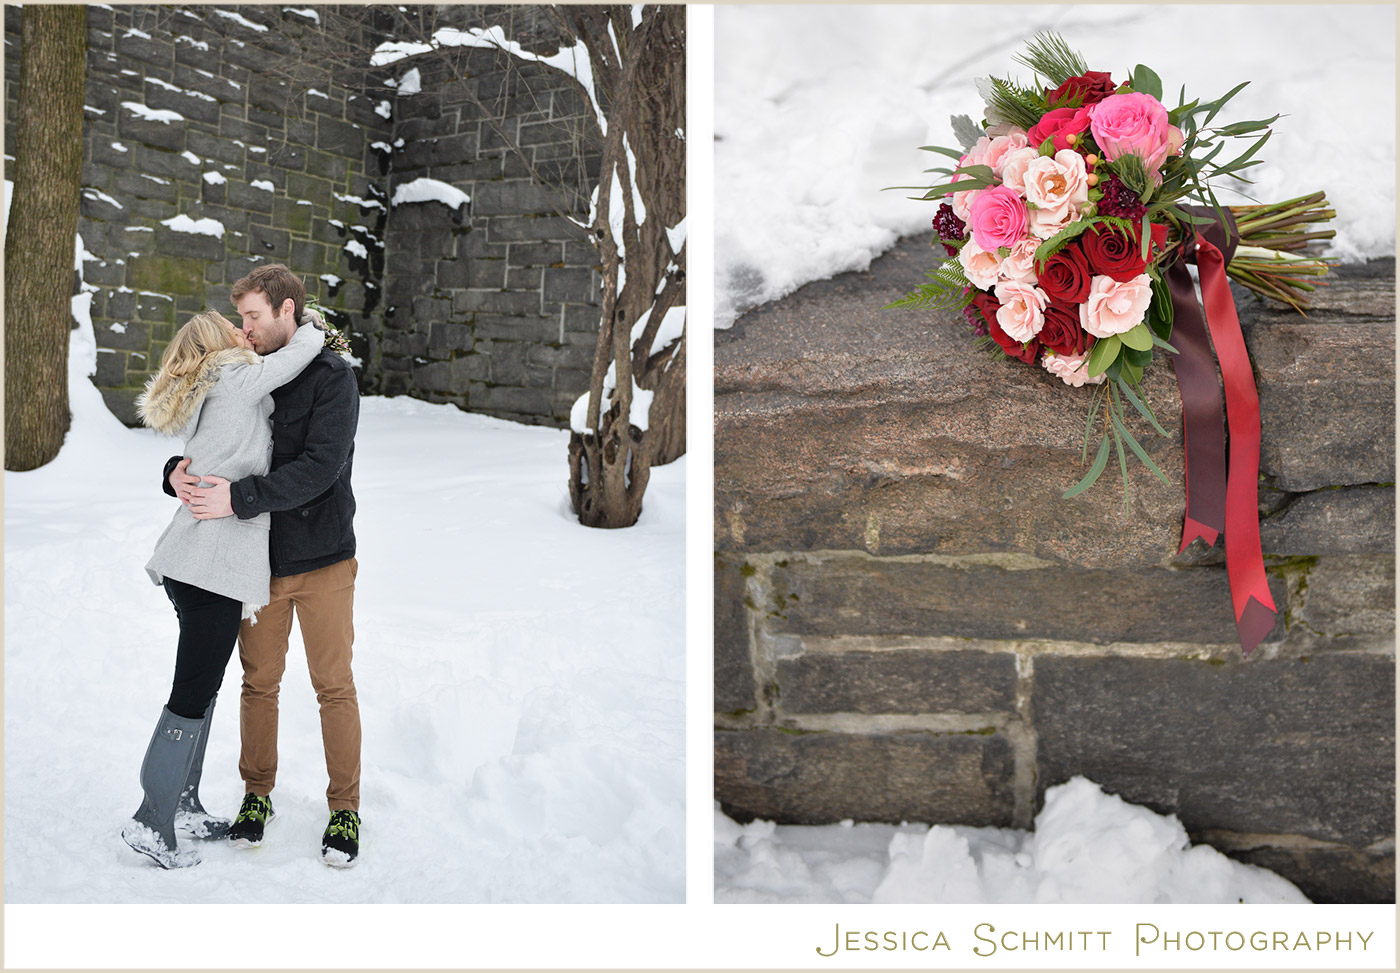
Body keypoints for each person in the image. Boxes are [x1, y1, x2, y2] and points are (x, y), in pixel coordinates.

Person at [171, 264, 363, 867]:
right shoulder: (248, 372)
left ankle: (345, 809)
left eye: (254, 316)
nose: (245, 329)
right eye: (242, 318)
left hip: (326, 559)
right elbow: (215, 440)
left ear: (287, 311)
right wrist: (175, 471)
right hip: (258, 565)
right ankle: (257, 795)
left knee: (333, 686)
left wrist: (241, 497)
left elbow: (320, 468)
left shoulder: (333, 378)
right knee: (259, 685)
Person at [124, 309, 325, 869]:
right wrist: (315, 328)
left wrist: (172, 473)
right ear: (218, 345)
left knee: (203, 687)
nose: (245, 333)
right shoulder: (235, 378)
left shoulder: (218, 386)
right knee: (191, 694)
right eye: (234, 327)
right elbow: (293, 357)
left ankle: (182, 803)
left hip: (201, 565)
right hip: (207, 567)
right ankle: (151, 817)